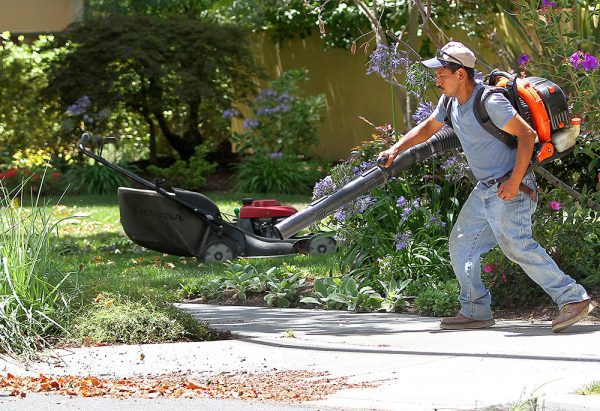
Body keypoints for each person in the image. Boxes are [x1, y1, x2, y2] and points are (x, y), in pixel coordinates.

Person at [378, 41, 596, 333]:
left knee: (516, 245)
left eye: (442, 72)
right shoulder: (450, 102)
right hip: (486, 189)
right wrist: (395, 149)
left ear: (461, 74)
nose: (437, 78)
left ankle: (574, 298)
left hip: (512, 185)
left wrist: (515, 180)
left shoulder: (490, 101)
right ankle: (475, 309)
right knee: (461, 243)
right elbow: (428, 127)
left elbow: (527, 135)